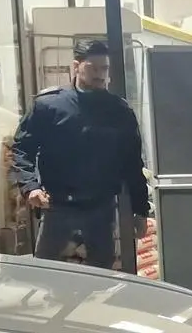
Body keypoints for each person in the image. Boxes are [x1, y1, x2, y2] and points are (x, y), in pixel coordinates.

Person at [9, 39, 149, 269]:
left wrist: (140, 210)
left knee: (101, 274)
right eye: (92, 68)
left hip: (101, 207)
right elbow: (22, 149)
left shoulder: (118, 111)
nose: (100, 75)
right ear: (76, 66)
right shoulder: (49, 105)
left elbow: (132, 164)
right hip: (57, 206)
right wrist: (30, 187)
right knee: (47, 271)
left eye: (104, 68)